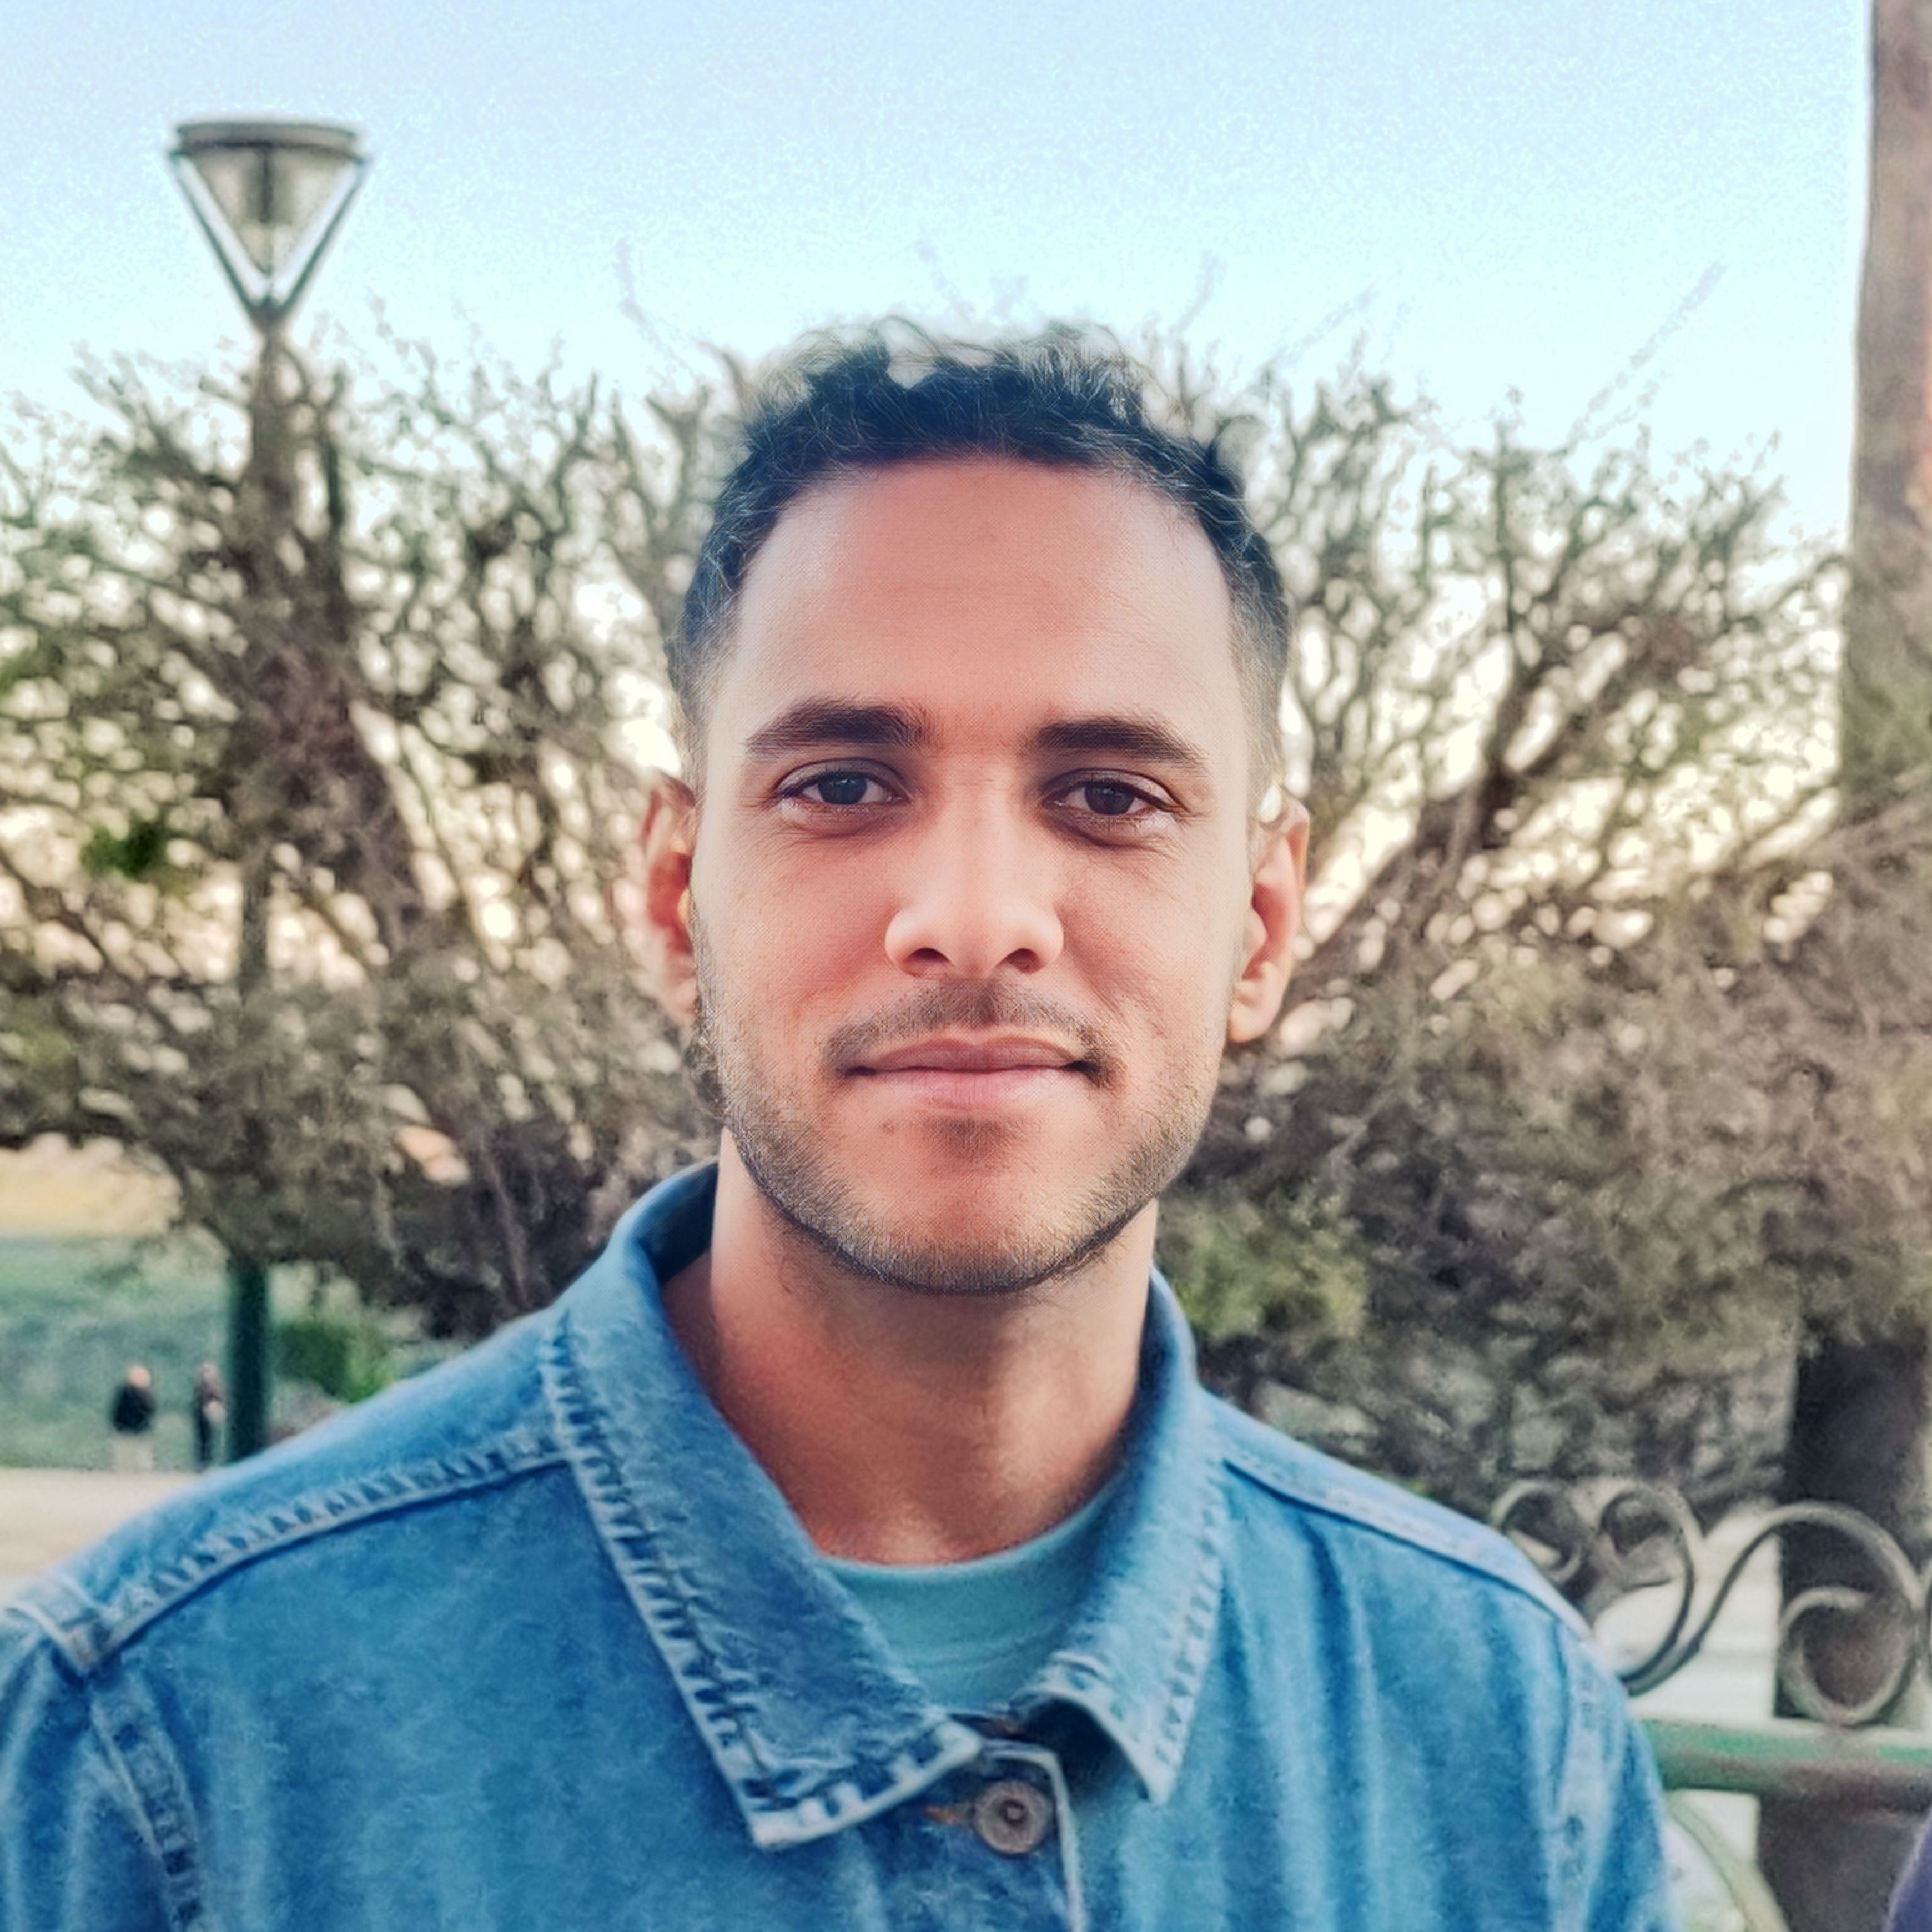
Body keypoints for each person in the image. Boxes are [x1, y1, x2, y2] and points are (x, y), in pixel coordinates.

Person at [0, 329, 1677, 1929]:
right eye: (842, 785)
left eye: (1108, 796)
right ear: (676, 896)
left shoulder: (1501, 1729)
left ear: (1259, 923)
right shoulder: (165, 1739)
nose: (974, 916)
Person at [105, 1362, 156, 1473]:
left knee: (142, 1463)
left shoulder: (147, 1395)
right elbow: (117, 1411)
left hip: (141, 1433)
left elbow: (151, 1411)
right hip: (124, 1432)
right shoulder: (124, 1393)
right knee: (123, 1462)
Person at [191, 1358, 225, 1471]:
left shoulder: (215, 1386)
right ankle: (202, 1463)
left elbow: (219, 1399)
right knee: (201, 1441)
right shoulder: (200, 1386)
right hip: (200, 1416)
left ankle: (208, 1463)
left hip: (209, 1416)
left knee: (210, 1440)